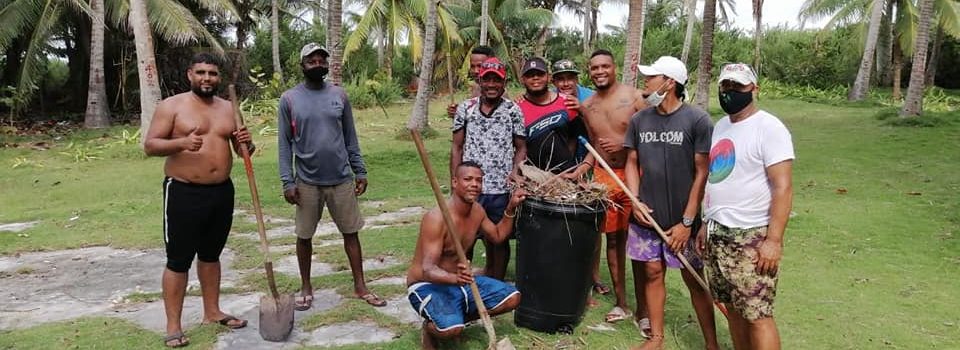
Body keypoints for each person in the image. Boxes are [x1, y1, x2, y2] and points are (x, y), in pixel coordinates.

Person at [144, 52, 252, 348]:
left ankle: (212, 311)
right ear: (190, 74)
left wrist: (246, 141)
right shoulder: (172, 106)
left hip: (221, 191)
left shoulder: (229, 107)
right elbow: (150, 145)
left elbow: (244, 152)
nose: (207, 78)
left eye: (213, 73)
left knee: (211, 254)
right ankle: (173, 326)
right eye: (201, 72)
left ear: (219, 78)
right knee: (178, 260)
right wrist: (181, 142)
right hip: (184, 192)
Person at [278, 43, 386, 311]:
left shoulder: (340, 95)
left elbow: (350, 137)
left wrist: (359, 170)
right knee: (304, 236)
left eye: (321, 60)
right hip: (306, 181)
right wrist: (287, 181)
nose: (317, 64)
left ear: (327, 65)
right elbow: (284, 143)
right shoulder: (289, 99)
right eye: (311, 61)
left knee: (351, 233)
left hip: (341, 178)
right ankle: (306, 286)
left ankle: (360, 285)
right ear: (302, 65)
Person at [624, 56, 719, 349]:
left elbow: (702, 173)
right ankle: (657, 337)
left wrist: (687, 223)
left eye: (652, 77)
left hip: (683, 221)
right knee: (652, 273)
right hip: (648, 218)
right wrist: (635, 201)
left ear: (670, 83)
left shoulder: (698, 120)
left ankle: (711, 343)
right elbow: (631, 161)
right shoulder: (640, 120)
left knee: (694, 280)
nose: (646, 82)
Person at [699, 63, 794, 350]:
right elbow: (717, 178)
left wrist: (773, 240)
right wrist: (706, 223)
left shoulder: (769, 127)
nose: (730, 93)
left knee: (758, 315)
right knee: (732, 307)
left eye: (737, 87)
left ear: (754, 89)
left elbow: (783, 186)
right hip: (718, 233)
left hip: (750, 236)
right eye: (725, 87)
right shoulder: (721, 126)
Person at [407, 162, 525, 350]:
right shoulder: (436, 218)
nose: (474, 184)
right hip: (427, 285)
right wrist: (455, 278)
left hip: (460, 282)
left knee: (513, 297)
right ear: (455, 182)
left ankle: (454, 319)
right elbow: (427, 269)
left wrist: (510, 208)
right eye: (468, 179)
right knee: (451, 330)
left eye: (479, 180)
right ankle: (432, 329)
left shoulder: (477, 211)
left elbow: (497, 236)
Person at [575, 49, 648, 325]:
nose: (600, 72)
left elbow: (651, 136)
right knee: (614, 240)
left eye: (605, 66)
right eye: (594, 68)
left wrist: (626, 144)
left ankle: (644, 310)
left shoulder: (635, 97)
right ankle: (622, 303)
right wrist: (584, 167)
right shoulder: (588, 105)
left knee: (641, 242)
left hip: (634, 174)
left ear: (614, 67)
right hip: (605, 178)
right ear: (589, 71)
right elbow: (594, 143)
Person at [450, 56, 527, 280]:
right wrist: (456, 181)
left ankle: (497, 284)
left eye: (496, 80)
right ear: (480, 81)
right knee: (466, 237)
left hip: (500, 187)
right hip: (471, 187)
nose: (491, 85)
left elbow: (521, 147)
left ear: (504, 83)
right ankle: (463, 283)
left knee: (499, 239)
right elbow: (456, 146)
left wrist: (516, 171)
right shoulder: (466, 108)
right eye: (487, 80)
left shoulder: (513, 110)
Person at [551, 59, 608, 298]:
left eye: (570, 77)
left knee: (591, 224)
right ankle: (562, 271)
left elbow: (599, 134)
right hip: (560, 168)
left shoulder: (591, 98)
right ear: (554, 81)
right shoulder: (549, 98)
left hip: (590, 165)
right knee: (560, 224)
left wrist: (586, 167)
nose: (566, 83)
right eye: (560, 78)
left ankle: (592, 275)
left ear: (577, 78)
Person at [516, 57, 585, 173]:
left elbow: (574, 137)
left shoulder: (567, 103)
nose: (535, 78)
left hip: (564, 178)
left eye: (540, 74)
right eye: (530, 75)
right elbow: (517, 147)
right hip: (532, 178)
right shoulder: (516, 108)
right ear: (523, 80)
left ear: (548, 77)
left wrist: (569, 166)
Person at [447, 46, 496, 118]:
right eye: (473, 66)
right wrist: (458, 112)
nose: (475, 71)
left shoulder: (498, 93)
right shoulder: (476, 87)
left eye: (480, 66)